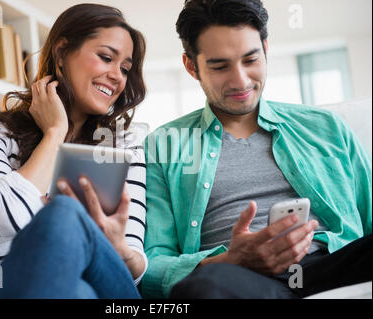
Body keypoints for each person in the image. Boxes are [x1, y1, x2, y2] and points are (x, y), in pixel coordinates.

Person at [141, 0, 372, 299]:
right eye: (220, 66)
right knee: (204, 288)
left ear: (265, 48)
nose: (241, 81)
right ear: (191, 66)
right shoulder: (164, 144)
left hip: (335, 264)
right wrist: (229, 260)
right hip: (239, 279)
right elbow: (151, 264)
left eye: (250, 60)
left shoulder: (325, 127)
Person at [0, 4, 148, 299]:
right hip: (0, 287)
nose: (118, 76)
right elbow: (8, 216)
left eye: (124, 69)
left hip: (102, 282)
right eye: (106, 58)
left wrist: (120, 249)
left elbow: (130, 273)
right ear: (61, 54)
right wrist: (55, 133)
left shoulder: (124, 146)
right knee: (77, 286)